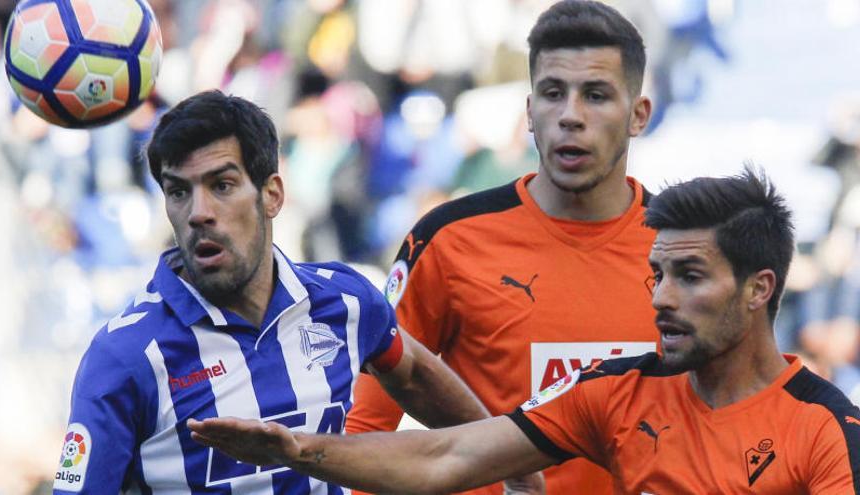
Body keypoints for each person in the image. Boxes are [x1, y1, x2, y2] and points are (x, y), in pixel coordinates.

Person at [189, 167, 860, 493]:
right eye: (655, 275)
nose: (660, 297)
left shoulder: (826, 430)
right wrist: (297, 449)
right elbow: (446, 457)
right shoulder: (616, 389)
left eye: (689, 275)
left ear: (758, 289)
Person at [52, 90, 493, 494]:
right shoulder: (125, 355)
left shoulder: (344, 302)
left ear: (272, 195)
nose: (198, 213)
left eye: (221, 186)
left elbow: (413, 374)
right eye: (178, 192)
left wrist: (508, 460)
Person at [346, 1, 659, 492]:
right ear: (530, 112)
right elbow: (362, 428)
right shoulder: (448, 241)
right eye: (553, 94)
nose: (570, 116)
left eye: (596, 95)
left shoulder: (685, 252)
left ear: (638, 114)